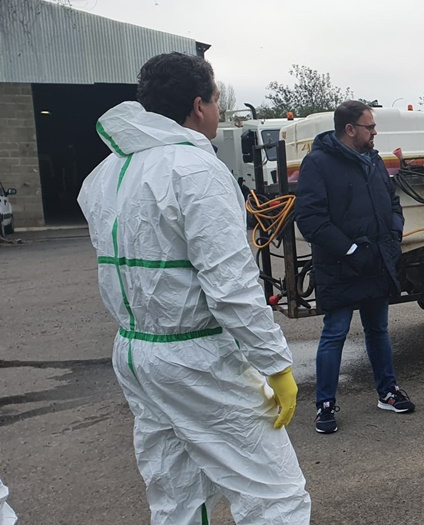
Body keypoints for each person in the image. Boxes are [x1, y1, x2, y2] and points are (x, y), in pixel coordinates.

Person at [77, 52, 311, 524]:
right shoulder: (196, 170)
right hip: (197, 358)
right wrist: (276, 364)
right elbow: (230, 287)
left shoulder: (104, 175)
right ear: (199, 105)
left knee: (177, 494)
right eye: (218, 100)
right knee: (276, 495)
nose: (220, 111)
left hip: (136, 353)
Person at [294, 100, 415, 434]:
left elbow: (392, 202)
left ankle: (388, 392)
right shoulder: (318, 164)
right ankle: (325, 406)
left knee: (378, 329)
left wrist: (392, 237)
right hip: (339, 266)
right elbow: (310, 219)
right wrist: (348, 249)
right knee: (335, 334)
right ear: (350, 129)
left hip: (376, 261)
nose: (375, 132)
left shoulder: (373, 161)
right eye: (370, 127)